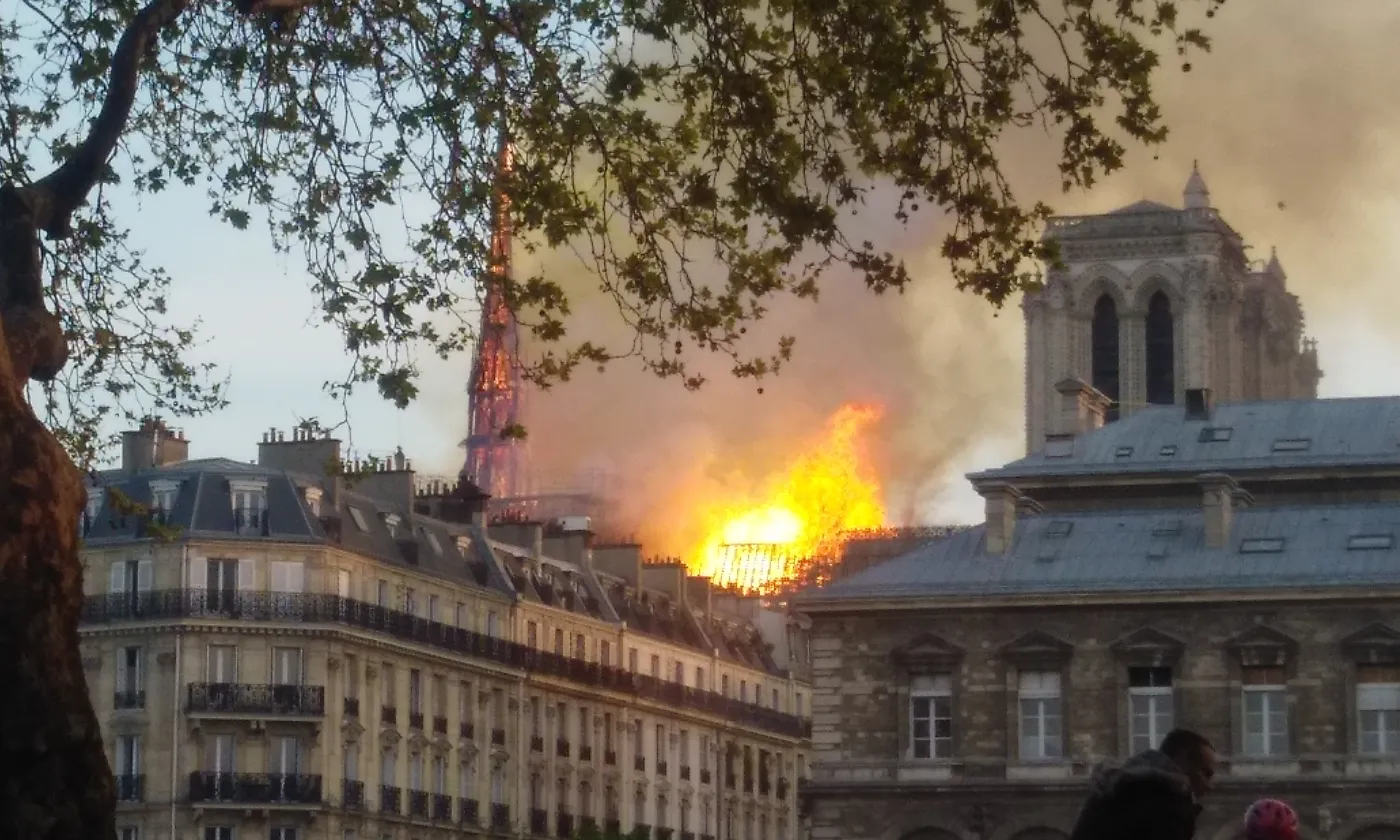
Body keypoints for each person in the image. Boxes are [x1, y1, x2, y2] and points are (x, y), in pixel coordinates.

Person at [1067, 728, 1219, 840]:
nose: (1210, 785)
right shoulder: (1171, 804)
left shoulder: (1114, 788)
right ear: (1183, 761)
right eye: (1206, 773)